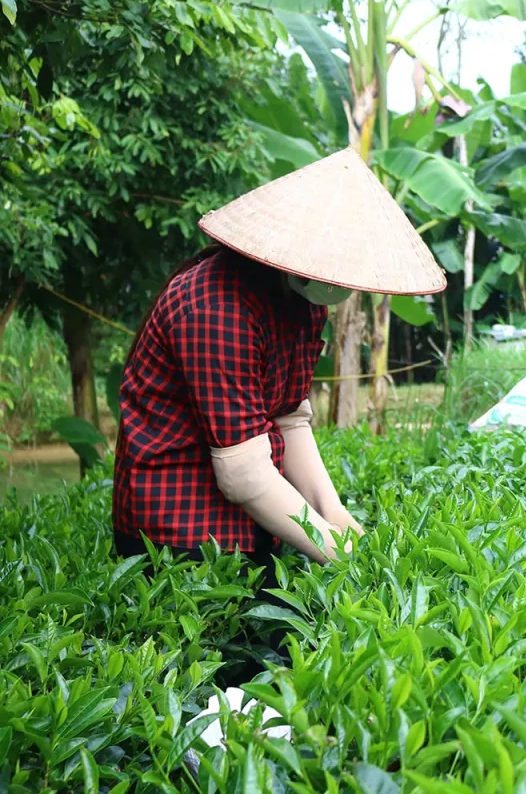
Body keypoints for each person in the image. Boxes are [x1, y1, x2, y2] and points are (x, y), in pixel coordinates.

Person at [112, 148, 445, 681]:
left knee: (296, 663)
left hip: (250, 522)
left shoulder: (302, 299)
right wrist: (335, 551)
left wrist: (341, 523)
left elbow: (290, 418)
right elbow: (243, 473)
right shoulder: (214, 303)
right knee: (229, 686)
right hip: (177, 533)